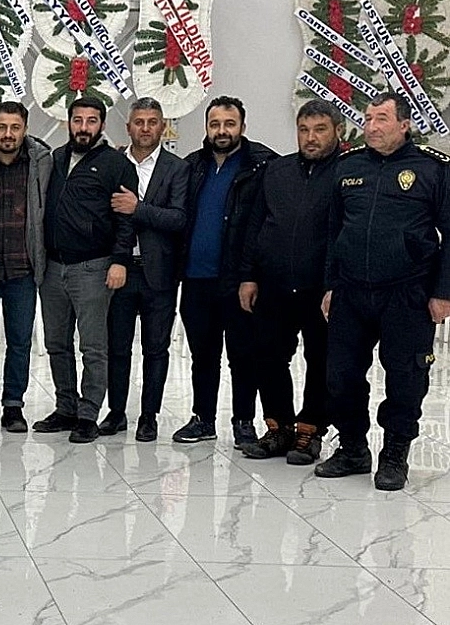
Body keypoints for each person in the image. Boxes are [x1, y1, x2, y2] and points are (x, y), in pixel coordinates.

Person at [315, 92, 450, 491]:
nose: (371, 127)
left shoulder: (432, 168)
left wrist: (443, 292)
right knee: (341, 375)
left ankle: (394, 454)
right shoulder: (349, 166)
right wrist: (330, 285)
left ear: (404, 125)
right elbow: (333, 232)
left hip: (407, 293)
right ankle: (353, 449)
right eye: (368, 118)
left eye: (381, 119)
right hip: (351, 291)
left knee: (406, 378)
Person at [237, 99, 342, 463]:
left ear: (338, 131)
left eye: (320, 130)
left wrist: (335, 284)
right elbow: (255, 224)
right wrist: (248, 276)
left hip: (320, 289)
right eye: (304, 130)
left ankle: (310, 431)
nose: (310, 138)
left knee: (320, 359)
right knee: (268, 355)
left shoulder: (347, 172)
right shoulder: (276, 170)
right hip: (274, 284)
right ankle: (278, 427)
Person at [173, 96, 278, 447]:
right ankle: (203, 419)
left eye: (229, 124)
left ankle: (244, 421)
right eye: (215, 124)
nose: (222, 131)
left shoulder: (262, 165)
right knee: (203, 356)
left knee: (243, 356)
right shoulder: (192, 166)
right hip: (195, 279)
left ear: (242, 127)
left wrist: (253, 275)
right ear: (206, 127)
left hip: (238, 282)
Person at [34, 96, 136, 443]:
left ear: (102, 125)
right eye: (78, 120)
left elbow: (126, 219)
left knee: (93, 346)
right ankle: (65, 408)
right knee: (56, 343)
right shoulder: (56, 158)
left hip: (93, 267)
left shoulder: (116, 164)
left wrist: (120, 260)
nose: (83, 127)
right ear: (69, 123)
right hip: (53, 268)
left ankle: (89, 414)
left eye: (91, 121)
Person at [102, 97, 188, 442]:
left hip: (159, 273)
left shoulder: (177, 168)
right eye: (139, 122)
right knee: (117, 347)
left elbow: (178, 218)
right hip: (120, 270)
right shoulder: (112, 163)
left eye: (153, 122)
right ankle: (116, 412)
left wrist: (138, 208)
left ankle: (149, 416)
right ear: (128, 127)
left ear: (162, 126)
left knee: (155, 349)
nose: (146, 128)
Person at [0, 101, 51, 434]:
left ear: (25, 129)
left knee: (20, 341)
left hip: (23, 268)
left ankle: (14, 405)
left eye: (15, 128)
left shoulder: (42, 162)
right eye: (2, 127)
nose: (8, 134)